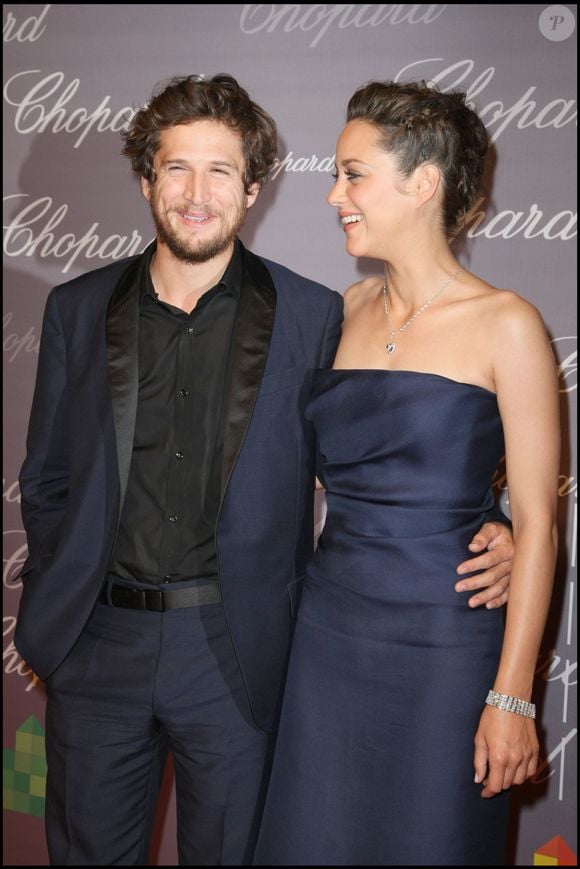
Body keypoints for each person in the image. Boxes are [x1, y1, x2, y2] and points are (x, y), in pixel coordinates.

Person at [15, 74, 514, 866]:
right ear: (147, 180)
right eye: (177, 168)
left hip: (240, 653)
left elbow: (377, 451)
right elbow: (45, 481)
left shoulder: (316, 314)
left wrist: (490, 522)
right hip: (96, 646)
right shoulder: (77, 308)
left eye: (221, 171)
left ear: (253, 188)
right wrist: (57, 623)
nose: (196, 193)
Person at [253, 80, 559, 867]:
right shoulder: (343, 310)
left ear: (423, 184)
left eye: (353, 174)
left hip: (445, 650)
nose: (333, 195)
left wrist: (512, 694)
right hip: (325, 643)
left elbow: (539, 522)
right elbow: (310, 471)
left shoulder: (509, 324)